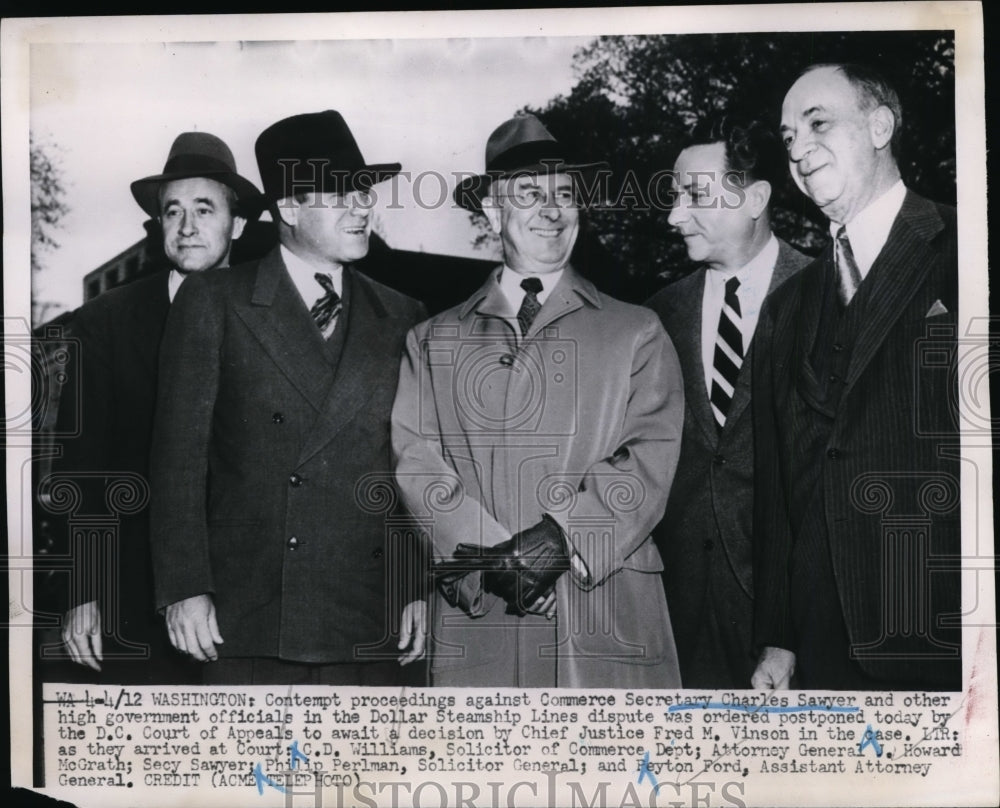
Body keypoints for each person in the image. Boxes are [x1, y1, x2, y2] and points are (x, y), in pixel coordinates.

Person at [391, 114, 684, 687]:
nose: (553, 210)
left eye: (565, 194)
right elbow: (418, 463)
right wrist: (497, 562)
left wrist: (559, 542)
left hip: (600, 612)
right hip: (481, 619)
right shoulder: (431, 340)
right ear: (493, 210)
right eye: (530, 194)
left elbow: (650, 459)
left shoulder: (636, 331)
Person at [149, 110, 427, 685]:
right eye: (341, 195)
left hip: (369, 616)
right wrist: (184, 588)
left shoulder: (402, 314)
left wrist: (415, 587)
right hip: (246, 614)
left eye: (365, 192)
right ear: (290, 209)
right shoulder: (214, 301)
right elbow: (178, 461)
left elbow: (410, 468)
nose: (362, 208)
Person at [753, 63, 960, 690]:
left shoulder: (967, 246)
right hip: (822, 644)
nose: (798, 149)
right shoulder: (786, 307)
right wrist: (778, 636)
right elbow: (777, 490)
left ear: (879, 127)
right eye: (789, 138)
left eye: (818, 123)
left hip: (948, 629)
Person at [52, 132, 260, 683]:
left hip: (255, 597)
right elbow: (80, 467)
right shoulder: (105, 322)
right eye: (173, 211)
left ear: (237, 224)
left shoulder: (275, 316)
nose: (187, 226)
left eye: (204, 209)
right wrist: (84, 591)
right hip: (135, 597)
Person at [645, 114, 809, 688]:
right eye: (674, 197)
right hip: (675, 612)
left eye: (694, 195)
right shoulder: (659, 313)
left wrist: (790, 629)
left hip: (792, 620)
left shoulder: (828, 298)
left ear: (755, 198)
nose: (674, 216)